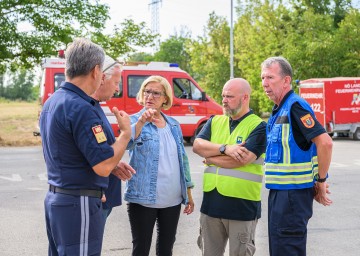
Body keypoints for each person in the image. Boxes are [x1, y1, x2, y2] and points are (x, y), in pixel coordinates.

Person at [40, 38, 132, 256]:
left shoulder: (54, 101)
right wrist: (126, 134)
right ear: (96, 70)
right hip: (77, 203)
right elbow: (103, 166)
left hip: (60, 198)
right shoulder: (81, 107)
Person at [260, 56, 333, 256]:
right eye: (263, 78)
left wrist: (321, 180)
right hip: (281, 193)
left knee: (287, 251)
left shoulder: (295, 106)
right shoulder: (280, 109)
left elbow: (324, 143)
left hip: (291, 197)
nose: (265, 83)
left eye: (270, 77)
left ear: (286, 80)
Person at [193, 78, 267, 256]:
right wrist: (225, 148)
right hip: (211, 206)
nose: (224, 100)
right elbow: (197, 146)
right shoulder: (215, 121)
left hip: (242, 207)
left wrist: (210, 158)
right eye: (223, 96)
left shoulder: (259, 126)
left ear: (245, 98)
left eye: (230, 96)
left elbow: (241, 160)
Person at [124, 75, 195, 256]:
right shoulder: (132, 120)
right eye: (147, 92)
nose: (150, 96)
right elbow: (125, 144)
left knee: (166, 249)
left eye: (156, 93)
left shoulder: (173, 125)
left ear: (165, 99)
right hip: (143, 199)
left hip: (172, 199)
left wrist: (188, 193)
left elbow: (182, 161)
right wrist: (141, 122)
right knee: (141, 249)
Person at [90, 55, 135, 221]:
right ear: (102, 78)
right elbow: (95, 161)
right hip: (96, 198)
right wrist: (125, 133)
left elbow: (96, 152)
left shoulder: (95, 107)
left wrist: (114, 164)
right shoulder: (87, 110)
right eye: (116, 83)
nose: (118, 89)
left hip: (102, 197)